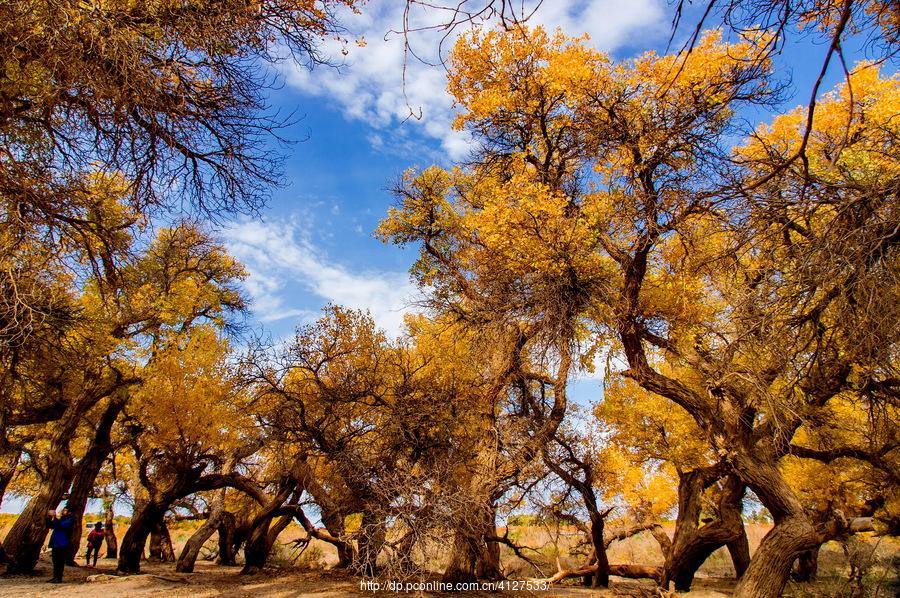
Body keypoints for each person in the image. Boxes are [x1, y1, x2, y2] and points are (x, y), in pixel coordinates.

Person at [46, 503, 75, 583]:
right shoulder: (63, 519)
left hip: (62, 543)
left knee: (59, 561)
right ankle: (55, 577)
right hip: (56, 542)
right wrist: (49, 517)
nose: (63, 511)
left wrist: (54, 517)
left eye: (65, 510)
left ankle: (58, 578)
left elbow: (60, 526)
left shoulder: (70, 519)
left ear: (70, 512)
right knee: (55, 560)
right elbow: (52, 525)